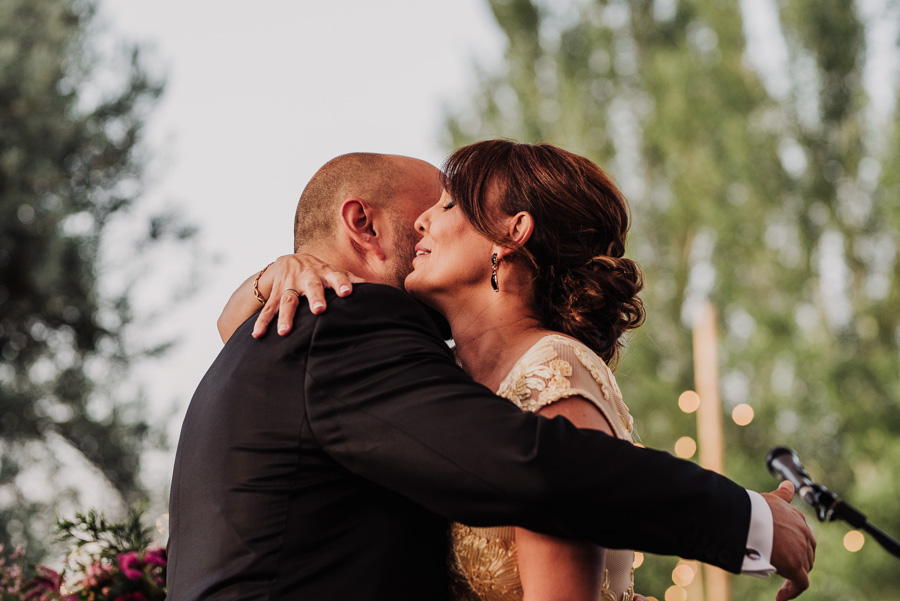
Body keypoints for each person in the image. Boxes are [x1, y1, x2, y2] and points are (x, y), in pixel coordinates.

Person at [170, 151, 814, 601]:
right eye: (429, 204)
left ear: (510, 238)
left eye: (447, 205)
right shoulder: (341, 325)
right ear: (362, 223)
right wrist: (744, 519)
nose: (427, 222)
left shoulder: (291, 338)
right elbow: (537, 468)